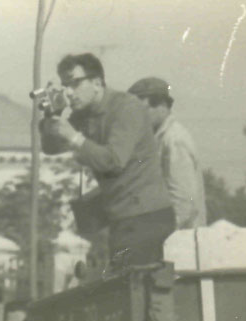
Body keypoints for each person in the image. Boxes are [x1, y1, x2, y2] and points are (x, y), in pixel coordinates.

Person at [41, 53, 175, 267]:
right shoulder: (84, 114)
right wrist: (52, 115)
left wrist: (74, 137)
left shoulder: (126, 108)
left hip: (145, 216)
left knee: (133, 292)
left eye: (74, 84)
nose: (68, 92)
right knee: (123, 290)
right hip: (121, 218)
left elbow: (113, 161)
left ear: (96, 82)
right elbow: (50, 147)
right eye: (64, 85)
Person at [128, 77, 207, 229]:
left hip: (180, 242)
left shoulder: (174, 140)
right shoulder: (159, 139)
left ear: (162, 105)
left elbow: (184, 203)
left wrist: (153, 235)